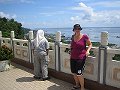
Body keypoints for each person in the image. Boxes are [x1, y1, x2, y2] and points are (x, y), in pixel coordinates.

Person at [70, 24, 92, 90]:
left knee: (79, 73)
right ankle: (77, 85)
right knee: (74, 73)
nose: (77, 30)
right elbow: (72, 46)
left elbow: (90, 44)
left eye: (78, 28)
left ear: (80, 29)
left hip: (81, 58)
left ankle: (82, 87)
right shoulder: (73, 36)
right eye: (76, 29)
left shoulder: (84, 36)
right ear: (74, 30)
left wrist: (87, 51)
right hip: (73, 57)